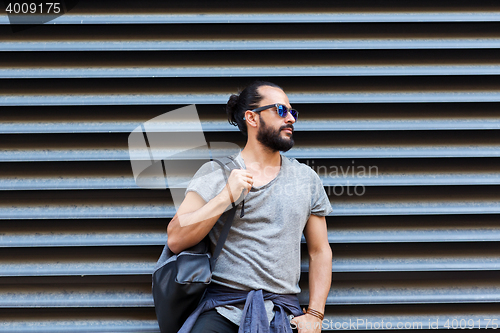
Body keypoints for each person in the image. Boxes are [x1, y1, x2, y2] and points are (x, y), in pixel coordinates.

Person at [166, 81, 332, 333]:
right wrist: (224, 197)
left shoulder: (306, 178)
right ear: (251, 118)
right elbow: (176, 239)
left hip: (282, 313)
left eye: (292, 112)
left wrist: (315, 315)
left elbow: (319, 252)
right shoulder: (216, 173)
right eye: (280, 110)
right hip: (223, 309)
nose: (291, 119)